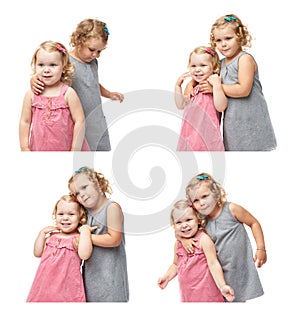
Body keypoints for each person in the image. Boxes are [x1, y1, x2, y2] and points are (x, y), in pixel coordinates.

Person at [31, 19, 124, 151]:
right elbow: (49, 78)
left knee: (101, 154)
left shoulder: (93, 62)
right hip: (77, 123)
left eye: (99, 51)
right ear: (78, 40)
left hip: (96, 121)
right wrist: (34, 80)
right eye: (92, 49)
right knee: (82, 155)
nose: (95, 55)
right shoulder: (66, 62)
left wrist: (109, 94)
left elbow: (92, 83)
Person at [184, 173, 266, 301]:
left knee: (237, 300)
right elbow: (186, 230)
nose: (202, 203)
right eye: (196, 200)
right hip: (218, 273)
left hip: (238, 269)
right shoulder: (202, 221)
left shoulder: (231, 209)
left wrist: (261, 248)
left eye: (205, 196)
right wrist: (185, 240)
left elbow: (254, 223)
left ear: (216, 193)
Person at [68, 166, 129, 302]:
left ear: (98, 184)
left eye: (84, 187)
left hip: (111, 280)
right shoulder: (85, 214)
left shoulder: (112, 208)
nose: (82, 194)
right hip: (91, 278)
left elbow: (114, 239)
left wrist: (86, 237)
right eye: (77, 193)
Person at [158, 200, 234, 302]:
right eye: (179, 222)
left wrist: (222, 286)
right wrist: (166, 277)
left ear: (198, 220)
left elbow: (213, 264)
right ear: (174, 225)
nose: (184, 225)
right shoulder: (178, 244)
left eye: (188, 220)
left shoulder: (204, 240)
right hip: (188, 296)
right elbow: (175, 265)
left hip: (207, 295)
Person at [19, 40, 89, 151]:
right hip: (39, 150)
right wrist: (24, 147)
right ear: (35, 66)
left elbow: (79, 120)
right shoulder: (31, 94)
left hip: (67, 150)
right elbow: (25, 121)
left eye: (52, 65)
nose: (46, 70)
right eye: (41, 65)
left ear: (63, 68)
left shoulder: (68, 93)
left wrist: (75, 149)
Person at [27, 195, 95, 302]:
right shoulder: (52, 236)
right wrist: (42, 233)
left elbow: (84, 255)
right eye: (60, 214)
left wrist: (85, 232)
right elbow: (37, 253)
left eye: (71, 214)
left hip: (67, 289)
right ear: (55, 216)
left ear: (80, 217)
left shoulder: (78, 238)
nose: (65, 218)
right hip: (43, 287)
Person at [175, 46, 227, 151]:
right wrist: (178, 87)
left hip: (208, 139)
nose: (197, 69)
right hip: (189, 138)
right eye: (193, 66)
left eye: (203, 65)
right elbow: (180, 105)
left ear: (215, 68)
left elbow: (221, 107)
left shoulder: (213, 86)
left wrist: (217, 86)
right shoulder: (191, 88)